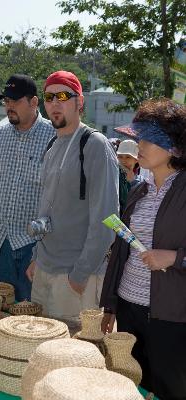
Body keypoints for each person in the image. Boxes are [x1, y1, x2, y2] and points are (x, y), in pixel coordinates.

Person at [100, 98, 186, 400]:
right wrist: (110, 304)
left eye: (148, 139)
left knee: (170, 391)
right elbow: (121, 252)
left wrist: (176, 257)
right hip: (129, 308)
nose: (139, 144)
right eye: (139, 137)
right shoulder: (140, 189)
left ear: (174, 146)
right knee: (133, 388)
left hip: (172, 317)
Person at [26, 70, 119, 322]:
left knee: (73, 356)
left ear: (80, 102)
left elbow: (108, 220)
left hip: (76, 277)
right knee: (41, 352)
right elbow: (45, 209)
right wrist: (37, 258)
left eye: (64, 96)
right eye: (49, 96)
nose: (55, 103)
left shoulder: (95, 145)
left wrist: (80, 275)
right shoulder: (52, 145)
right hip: (44, 270)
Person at [0, 74, 55, 301]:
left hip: (35, 243)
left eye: (15, 101)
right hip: (0, 241)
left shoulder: (54, 137)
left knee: (31, 314)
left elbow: (62, 196)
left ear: (34, 102)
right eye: (6, 101)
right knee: (2, 310)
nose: (9, 107)